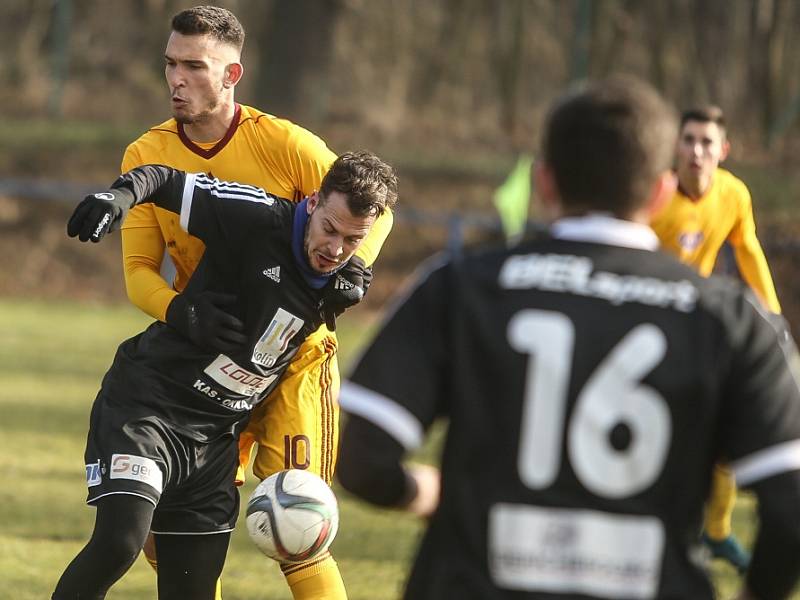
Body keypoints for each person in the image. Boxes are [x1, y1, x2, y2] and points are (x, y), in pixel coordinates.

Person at [336, 78, 800, 599]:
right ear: (660, 191)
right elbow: (789, 509)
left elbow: (362, 459)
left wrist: (425, 493)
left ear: (545, 183)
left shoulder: (460, 286)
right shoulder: (730, 320)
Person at [120, 6, 393, 599]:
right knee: (167, 537)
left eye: (195, 65)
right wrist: (179, 311)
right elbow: (139, 272)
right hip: (207, 358)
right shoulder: (147, 155)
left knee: (299, 523)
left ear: (231, 75)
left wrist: (360, 265)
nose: (177, 79)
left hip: (293, 359)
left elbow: (374, 207)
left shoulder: (286, 144)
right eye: (171, 63)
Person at [52, 151, 398, 600]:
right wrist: (117, 199)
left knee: (192, 590)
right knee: (119, 543)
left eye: (351, 241)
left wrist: (356, 265)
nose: (334, 250)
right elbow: (161, 177)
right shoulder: (256, 217)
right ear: (312, 203)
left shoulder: (341, 278)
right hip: (149, 408)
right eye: (330, 229)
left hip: (215, 439)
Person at [651, 105, 782, 573]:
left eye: (707, 142)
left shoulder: (733, 194)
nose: (696, 151)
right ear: (675, 147)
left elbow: (747, 249)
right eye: (688, 140)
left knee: (727, 423)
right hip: (649, 327)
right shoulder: (656, 195)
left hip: (698, 324)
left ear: (723, 151)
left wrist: (775, 318)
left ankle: (719, 531)